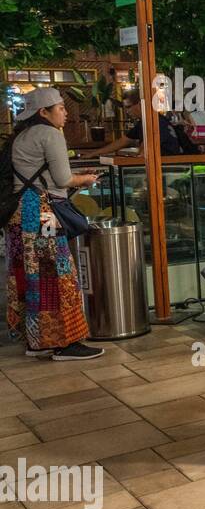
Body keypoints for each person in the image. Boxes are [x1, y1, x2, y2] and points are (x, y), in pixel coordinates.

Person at [5, 87, 104, 361]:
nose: (65, 112)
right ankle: (65, 342)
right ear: (43, 112)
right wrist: (85, 179)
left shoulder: (21, 135)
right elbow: (62, 180)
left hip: (20, 213)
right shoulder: (49, 134)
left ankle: (38, 340)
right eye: (60, 107)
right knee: (58, 277)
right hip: (42, 214)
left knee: (31, 277)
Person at [93, 102, 200, 157]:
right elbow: (122, 141)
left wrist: (134, 154)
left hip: (168, 168)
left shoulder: (155, 121)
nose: (127, 111)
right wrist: (94, 153)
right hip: (164, 168)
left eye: (129, 106)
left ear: (140, 104)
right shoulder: (144, 122)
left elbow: (144, 152)